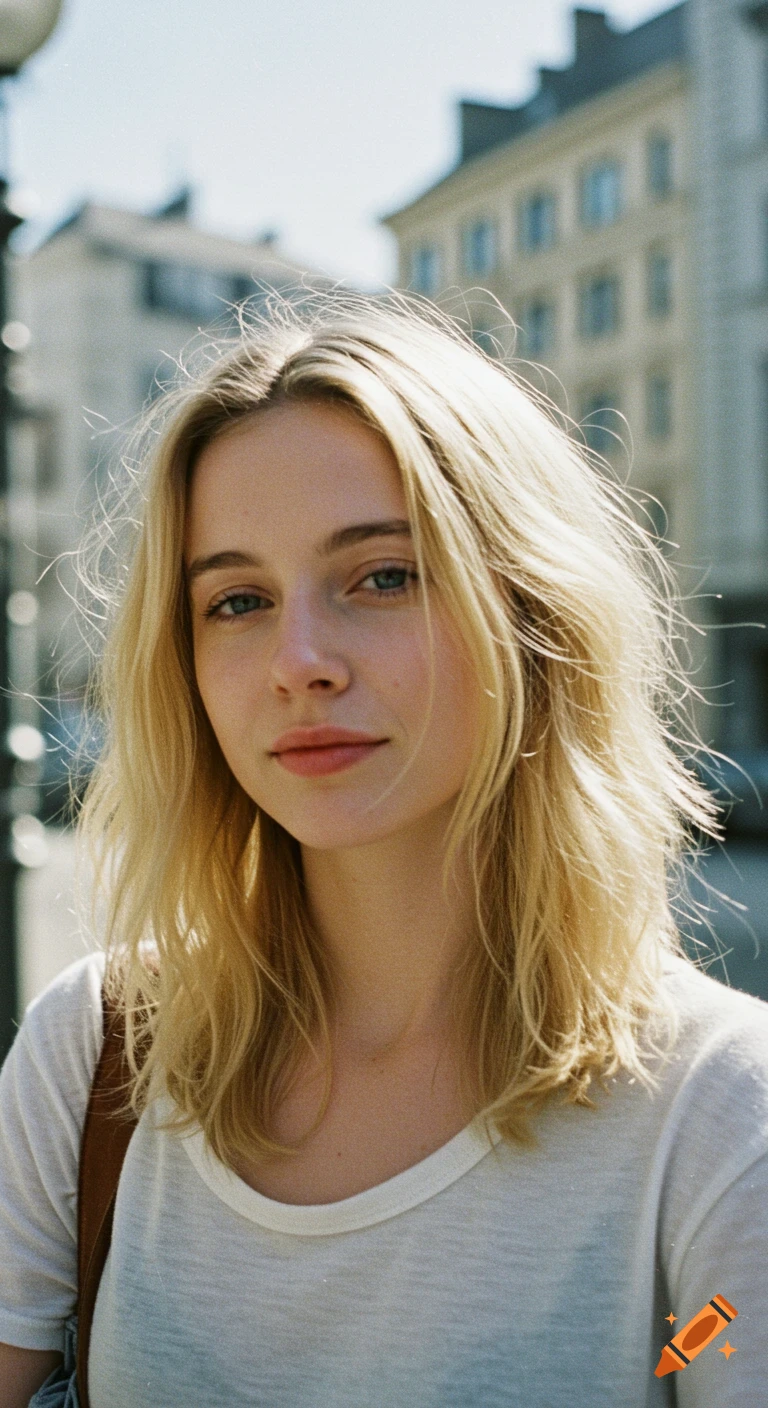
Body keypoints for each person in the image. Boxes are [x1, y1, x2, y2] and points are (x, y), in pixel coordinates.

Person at [0, 293, 767, 1408]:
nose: (298, 659)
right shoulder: (94, 1055)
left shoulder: (722, 1115)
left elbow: (708, 1351)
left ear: (533, 614)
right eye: (237, 599)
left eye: (383, 575)